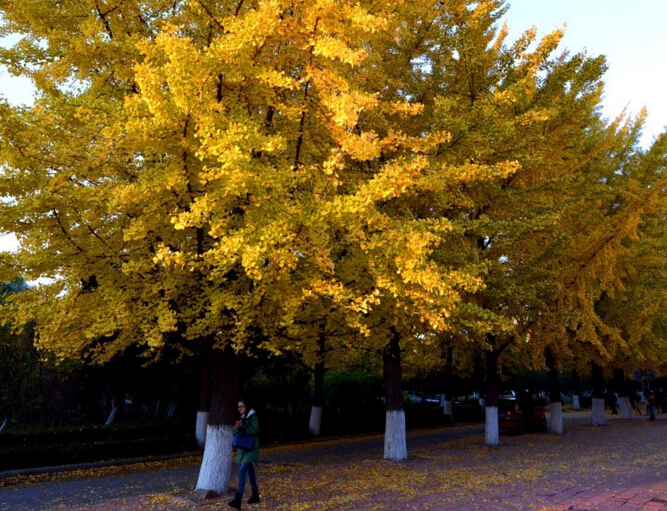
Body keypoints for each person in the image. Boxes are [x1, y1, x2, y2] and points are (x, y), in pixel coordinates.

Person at [228, 400, 260, 509]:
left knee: (241, 472)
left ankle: (238, 500)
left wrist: (243, 427)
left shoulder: (252, 416)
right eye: (238, 407)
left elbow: (255, 430)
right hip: (244, 448)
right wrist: (237, 427)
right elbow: (235, 430)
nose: (240, 408)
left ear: (247, 406)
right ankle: (255, 495)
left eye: (242, 406)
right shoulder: (242, 417)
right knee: (250, 471)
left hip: (251, 448)